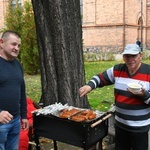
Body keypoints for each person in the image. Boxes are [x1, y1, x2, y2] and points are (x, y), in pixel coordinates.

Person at [79, 44, 150, 150]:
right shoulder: (118, 70)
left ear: (140, 56)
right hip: (120, 125)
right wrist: (90, 86)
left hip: (139, 128)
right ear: (123, 57)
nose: (130, 59)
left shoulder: (148, 72)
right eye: (127, 56)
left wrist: (144, 95)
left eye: (133, 56)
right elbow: (100, 78)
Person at [0, 30, 28, 150]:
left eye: (18, 45)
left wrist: (24, 115)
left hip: (15, 121)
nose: (16, 48)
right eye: (13, 44)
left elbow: (21, 90)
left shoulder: (17, 65)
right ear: (1, 43)